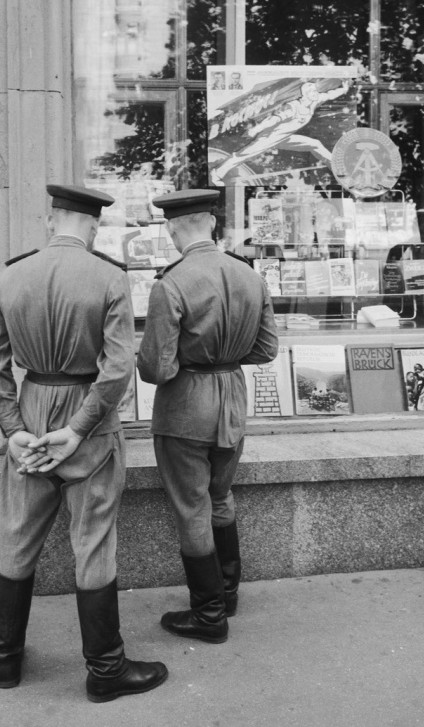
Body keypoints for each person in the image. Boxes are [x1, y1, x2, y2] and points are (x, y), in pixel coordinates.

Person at [0, 184, 167, 702]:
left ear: (50, 219)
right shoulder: (108, 277)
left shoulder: (12, 275)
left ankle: (5, 661)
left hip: (31, 412)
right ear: (94, 225)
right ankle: (105, 670)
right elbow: (118, 367)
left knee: (16, 539)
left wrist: (13, 430)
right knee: (94, 542)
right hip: (89, 423)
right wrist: (78, 428)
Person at [136, 189, 278, 644]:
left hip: (186, 406)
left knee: (192, 506)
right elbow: (267, 349)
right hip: (232, 399)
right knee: (220, 497)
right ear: (212, 225)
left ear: (174, 228)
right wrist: (226, 359)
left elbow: (156, 368)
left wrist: (177, 363)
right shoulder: (249, 275)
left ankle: (209, 615)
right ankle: (228, 593)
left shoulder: (171, 282)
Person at [211, 80, 349, 185]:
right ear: (305, 94)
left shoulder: (314, 100)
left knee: (315, 144)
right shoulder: (293, 107)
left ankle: (340, 172)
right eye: (312, 91)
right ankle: (216, 173)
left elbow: (329, 95)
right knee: (243, 155)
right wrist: (257, 129)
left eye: (315, 91)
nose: (316, 93)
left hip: (284, 138)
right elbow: (273, 119)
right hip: (269, 137)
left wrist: (344, 89)